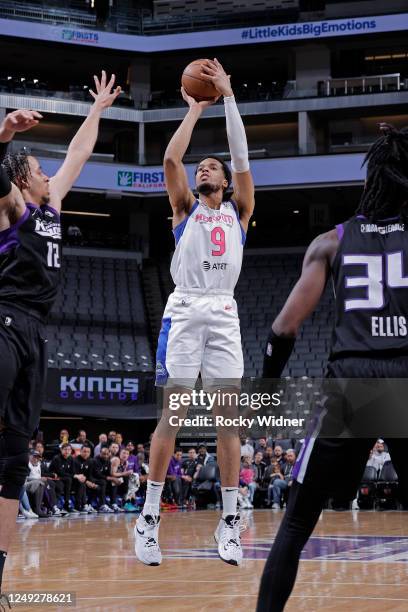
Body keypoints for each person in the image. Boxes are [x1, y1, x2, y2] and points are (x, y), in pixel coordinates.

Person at [257, 123, 408, 611]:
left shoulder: (332, 241)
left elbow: (283, 328)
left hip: (349, 385)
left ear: (371, 182)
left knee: (298, 522)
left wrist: (268, 387)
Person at [0, 73, 121, 602]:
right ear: (22, 181)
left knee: (13, 454)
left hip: (37, 334)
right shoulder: (14, 209)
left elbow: (78, 152)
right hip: (3, 319)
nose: (50, 174)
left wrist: (96, 109)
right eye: (39, 170)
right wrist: (4, 134)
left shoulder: (52, 207)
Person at [135, 58, 255, 567]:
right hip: (184, 307)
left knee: (229, 419)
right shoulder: (184, 206)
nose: (204, 169)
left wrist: (228, 98)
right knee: (175, 412)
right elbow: (169, 161)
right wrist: (195, 109)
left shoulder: (240, 208)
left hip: (224, 309)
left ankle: (229, 521)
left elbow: (242, 158)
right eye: (201, 167)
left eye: (213, 168)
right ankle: (148, 517)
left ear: (226, 183)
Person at [90, 446, 114, 513]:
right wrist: (107, 478)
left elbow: (108, 473)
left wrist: (113, 478)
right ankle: (102, 505)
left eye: (107, 454)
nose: (106, 456)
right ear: (100, 453)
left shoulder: (108, 461)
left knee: (114, 483)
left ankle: (113, 503)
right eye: (104, 454)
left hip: (102, 479)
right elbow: (97, 474)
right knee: (103, 482)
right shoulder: (94, 460)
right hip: (93, 479)